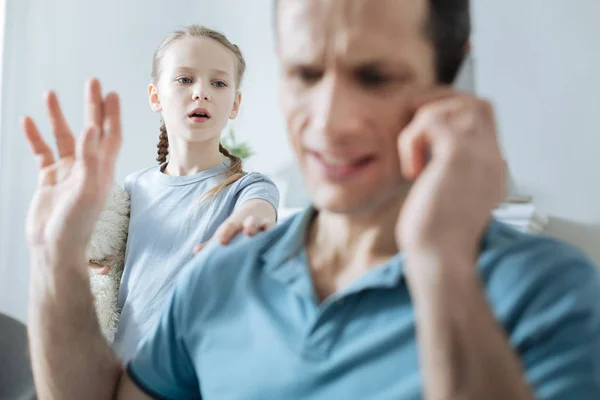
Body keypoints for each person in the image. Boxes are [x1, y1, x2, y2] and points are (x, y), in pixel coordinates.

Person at [24, 0, 600, 399]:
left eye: (374, 76)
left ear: (455, 81)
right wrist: (54, 256)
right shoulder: (216, 277)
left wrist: (442, 265)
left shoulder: (549, 293)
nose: (328, 122)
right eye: (304, 73)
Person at [28, 25, 280, 364]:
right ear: (155, 96)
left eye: (218, 83)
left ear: (234, 103)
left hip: (198, 372)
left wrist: (243, 230)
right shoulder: (134, 187)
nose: (201, 92)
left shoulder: (248, 187)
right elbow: (101, 262)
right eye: (184, 79)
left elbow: (257, 214)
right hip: (124, 368)